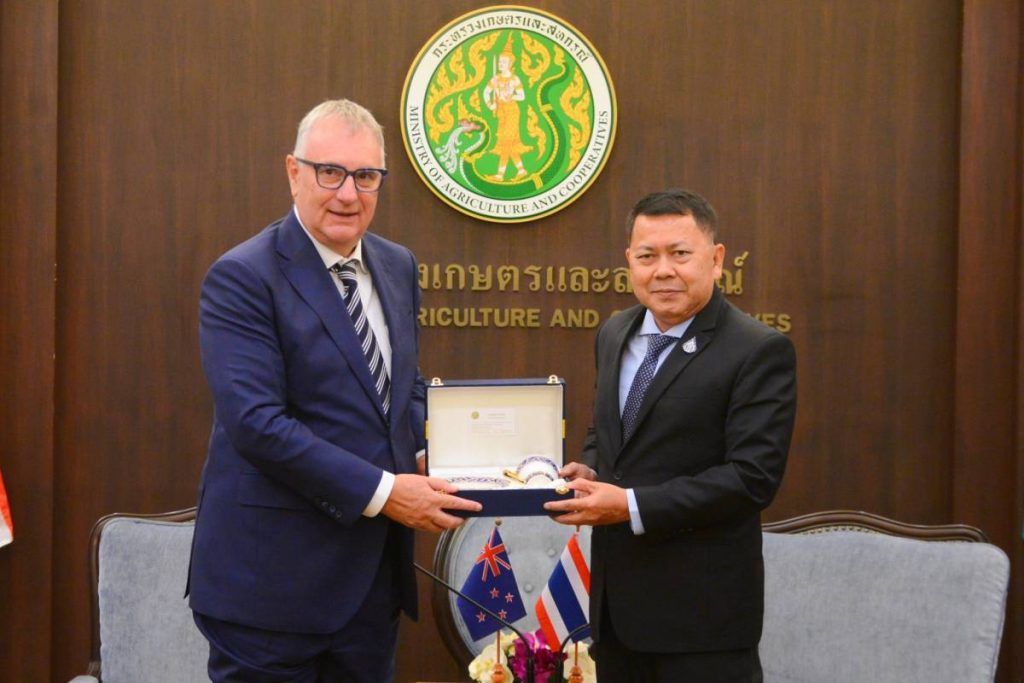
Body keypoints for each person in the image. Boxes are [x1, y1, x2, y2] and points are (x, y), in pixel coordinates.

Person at [188, 98, 480, 683]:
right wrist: (387, 492)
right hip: (270, 590)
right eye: (330, 173)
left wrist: (443, 451)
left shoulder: (397, 266)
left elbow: (401, 389)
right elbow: (257, 425)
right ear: (293, 172)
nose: (348, 194)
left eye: (366, 176)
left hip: (369, 588)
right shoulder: (243, 276)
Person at [546, 189, 797, 682]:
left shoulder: (758, 350)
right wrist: (591, 466)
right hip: (615, 618)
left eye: (680, 254)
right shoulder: (615, 332)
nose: (663, 270)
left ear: (716, 259)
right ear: (629, 261)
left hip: (703, 626)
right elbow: (610, 429)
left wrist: (628, 505)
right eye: (647, 256)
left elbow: (751, 479)